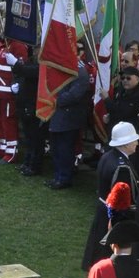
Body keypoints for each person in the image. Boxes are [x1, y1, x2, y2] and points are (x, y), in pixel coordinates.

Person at [82, 121, 139, 269]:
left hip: (103, 207)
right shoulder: (122, 168)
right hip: (114, 214)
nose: (137, 142)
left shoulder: (108, 156)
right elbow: (123, 200)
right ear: (125, 143)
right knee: (108, 255)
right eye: (133, 140)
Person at [46, 42, 94, 190]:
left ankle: (64, 178)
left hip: (69, 116)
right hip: (58, 115)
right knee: (56, 148)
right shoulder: (65, 66)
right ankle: (58, 176)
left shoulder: (80, 71)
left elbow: (75, 94)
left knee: (65, 149)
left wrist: (54, 99)